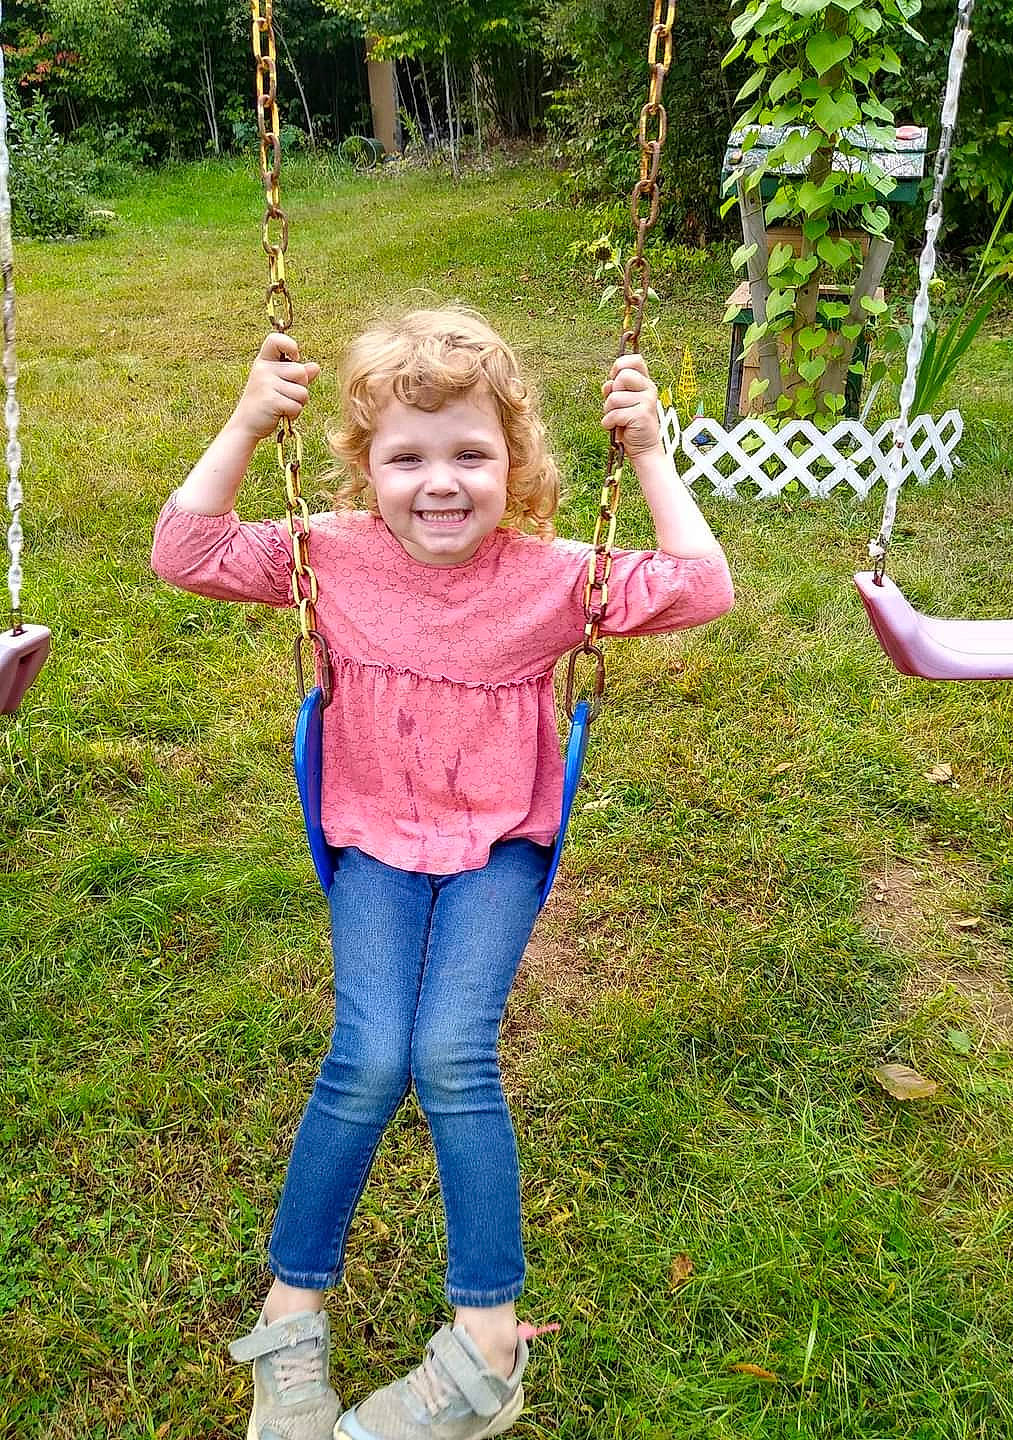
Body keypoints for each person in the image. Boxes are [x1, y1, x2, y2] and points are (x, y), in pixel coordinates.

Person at [150, 307, 734, 1440]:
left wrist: (653, 457)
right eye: (405, 457)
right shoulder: (331, 555)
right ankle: (290, 1315)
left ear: (515, 463)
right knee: (366, 1057)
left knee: (453, 1053)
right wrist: (241, 420)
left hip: (498, 846)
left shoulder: (556, 575)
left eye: (471, 453)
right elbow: (184, 553)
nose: (440, 484)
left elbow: (701, 587)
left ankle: (486, 1345)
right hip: (372, 833)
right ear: (363, 468)